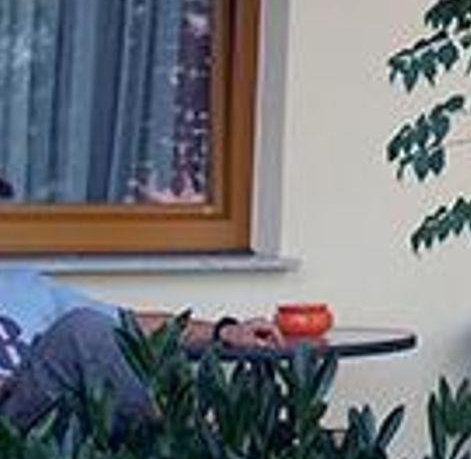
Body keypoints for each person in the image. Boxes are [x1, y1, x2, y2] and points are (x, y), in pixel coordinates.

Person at [0, 181, 280, 428]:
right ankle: (184, 442)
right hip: (11, 432)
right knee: (81, 330)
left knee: (91, 330)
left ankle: (183, 442)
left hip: (56, 429)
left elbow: (127, 328)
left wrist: (223, 331)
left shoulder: (26, 285)